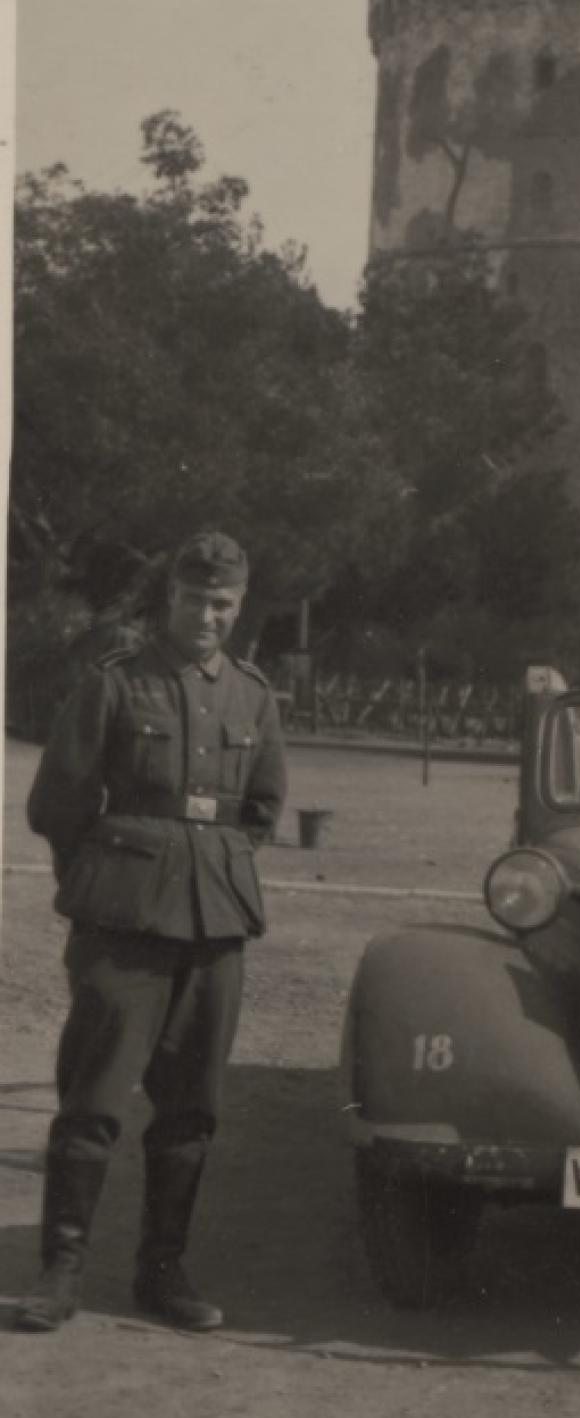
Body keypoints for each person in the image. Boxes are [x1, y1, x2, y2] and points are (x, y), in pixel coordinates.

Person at [17, 531, 288, 1333]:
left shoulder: (252, 695)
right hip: (124, 920)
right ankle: (60, 1273)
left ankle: (162, 1273)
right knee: (93, 1102)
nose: (208, 615)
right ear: (170, 597)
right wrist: (103, 879)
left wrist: (208, 868)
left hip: (216, 926)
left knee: (192, 1108)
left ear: (237, 609)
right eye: (197, 599)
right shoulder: (116, 684)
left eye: (223, 604)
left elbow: (263, 808)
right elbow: (57, 804)